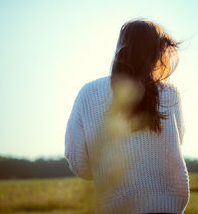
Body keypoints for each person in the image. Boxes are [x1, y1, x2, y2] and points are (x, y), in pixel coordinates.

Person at [65, 18, 189, 214]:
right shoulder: (169, 93)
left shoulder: (88, 94)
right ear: (156, 52)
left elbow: (80, 163)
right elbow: (175, 144)